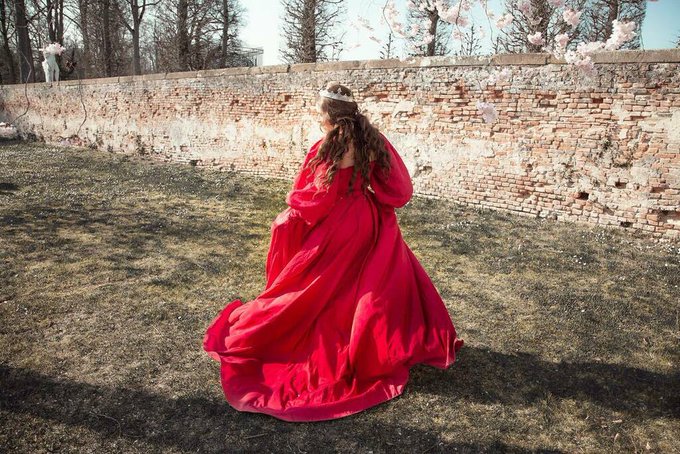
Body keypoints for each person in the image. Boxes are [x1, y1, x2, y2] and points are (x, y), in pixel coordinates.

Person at [203, 82, 464, 422]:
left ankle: (336, 343)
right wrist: (373, 196)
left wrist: (293, 206)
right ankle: (372, 345)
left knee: (319, 287)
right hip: (368, 220)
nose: (317, 118)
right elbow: (399, 188)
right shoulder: (373, 140)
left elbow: (319, 198)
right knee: (362, 286)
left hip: (338, 225)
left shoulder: (329, 146)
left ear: (330, 115)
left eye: (319, 112)